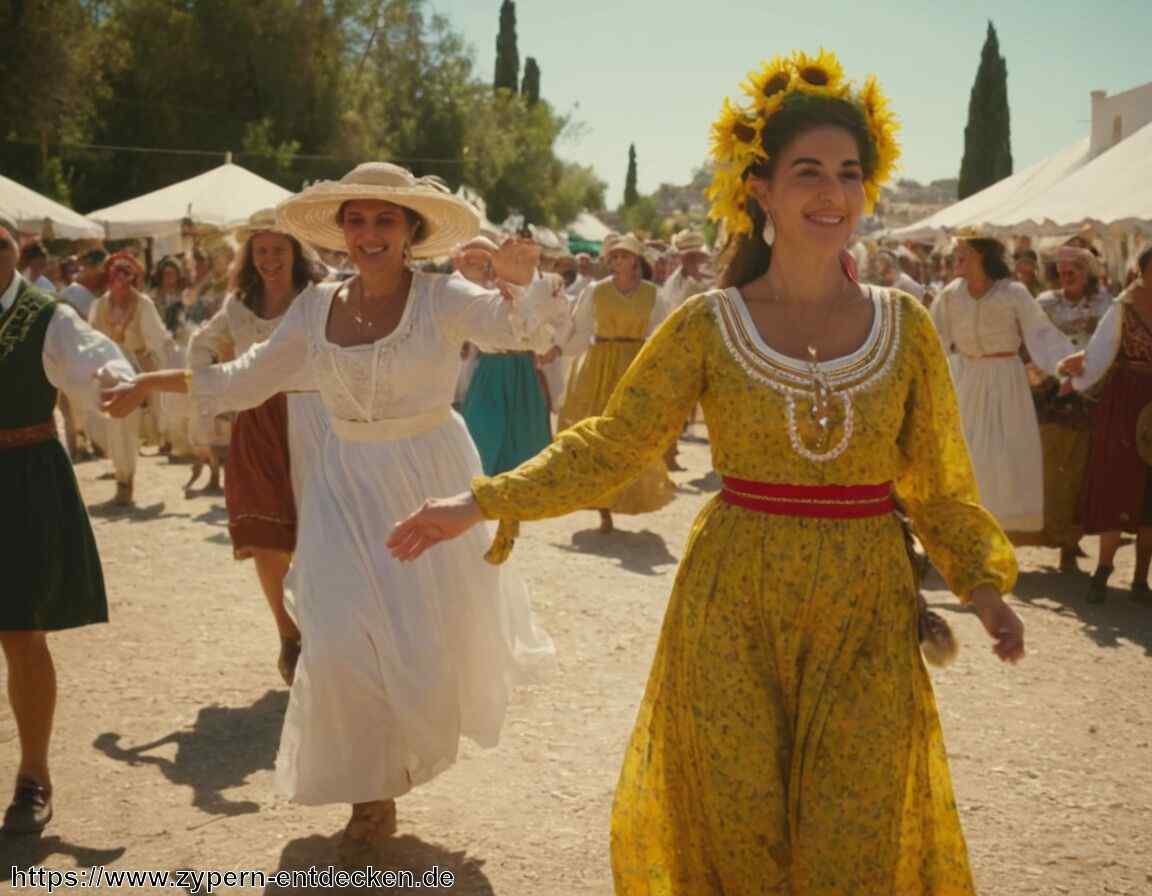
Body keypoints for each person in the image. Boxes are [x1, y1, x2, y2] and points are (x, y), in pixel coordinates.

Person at [390, 51, 1024, 894]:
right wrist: (480, 500)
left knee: (854, 839)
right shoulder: (708, 324)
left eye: (849, 172)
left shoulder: (905, 326)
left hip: (865, 607)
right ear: (760, 189)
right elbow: (613, 443)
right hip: (732, 601)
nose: (833, 192)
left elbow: (939, 483)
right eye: (808, 172)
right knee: (739, 833)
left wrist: (982, 588)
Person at [101, 162, 561, 863]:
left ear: (411, 231)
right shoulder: (316, 310)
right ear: (341, 232)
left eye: (384, 220)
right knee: (342, 640)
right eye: (356, 220)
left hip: (429, 481)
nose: (369, 233)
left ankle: (398, 759)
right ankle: (371, 797)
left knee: (417, 644)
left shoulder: (443, 298)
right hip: (344, 487)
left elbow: (521, 331)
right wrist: (152, 382)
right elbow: (245, 375)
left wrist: (521, 277)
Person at [0, 213, 134, 835]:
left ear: (17, 251)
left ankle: (33, 776)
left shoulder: (46, 315)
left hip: (22, 479)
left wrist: (119, 384)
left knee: (21, 631)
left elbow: (99, 363)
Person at [183, 210, 328, 683]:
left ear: (295, 254)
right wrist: (219, 392)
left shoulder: (316, 299)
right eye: (261, 251)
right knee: (264, 535)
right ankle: (288, 633)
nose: (269, 259)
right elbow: (200, 347)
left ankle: (322, 632)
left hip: (313, 419)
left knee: (316, 531)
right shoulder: (239, 305)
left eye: (278, 251)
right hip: (257, 425)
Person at [930, 233, 1074, 533]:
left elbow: (1041, 333)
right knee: (965, 453)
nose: (956, 256)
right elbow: (933, 340)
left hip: (1004, 381)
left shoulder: (1013, 293)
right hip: (964, 380)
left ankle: (996, 531)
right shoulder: (950, 294)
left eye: (963, 251)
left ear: (982, 254)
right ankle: (965, 528)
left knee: (1001, 457)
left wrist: (1067, 365)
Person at [556, 232, 675, 533]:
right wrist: (558, 349)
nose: (618, 261)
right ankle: (601, 505)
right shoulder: (595, 291)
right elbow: (580, 329)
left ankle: (623, 495)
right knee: (595, 430)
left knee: (630, 434)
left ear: (636, 260)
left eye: (624, 256)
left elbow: (661, 334)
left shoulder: (652, 294)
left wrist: (662, 369)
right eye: (614, 257)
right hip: (600, 364)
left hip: (634, 365)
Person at [1061, 246, 1152, 602]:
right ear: (1142, 270)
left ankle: (1141, 580)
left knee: (1150, 495)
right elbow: (1100, 354)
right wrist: (1078, 380)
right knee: (1118, 482)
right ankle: (1104, 569)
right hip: (1126, 403)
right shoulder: (1123, 308)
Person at [1023, 246, 1113, 570]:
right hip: (1051, 396)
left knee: (1083, 469)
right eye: (1060, 270)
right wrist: (1047, 374)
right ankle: (1053, 534)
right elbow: (1031, 343)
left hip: (1092, 395)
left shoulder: (1106, 304)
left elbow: (1110, 344)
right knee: (1052, 466)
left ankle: (1071, 541)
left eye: (1072, 269)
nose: (1065, 275)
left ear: (1087, 270)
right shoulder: (1044, 303)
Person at [456, 236, 558, 475]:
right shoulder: (472, 291)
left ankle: (513, 506)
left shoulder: (529, 289)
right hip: (490, 368)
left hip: (520, 367)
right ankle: (478, 490)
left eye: (484, 259)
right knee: (482, 430)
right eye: (472, 259)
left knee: (522, 437)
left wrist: (516, 298)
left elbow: (541, 338)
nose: (479, 264)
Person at [87, 252, 172, 505]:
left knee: (127, 427)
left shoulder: (143, 304)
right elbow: (92, 337)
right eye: (116, 273)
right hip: (107, 371)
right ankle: (120, 479)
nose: (121, 280)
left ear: (134, 277)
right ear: (110, 276)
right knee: (109, 428)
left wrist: (150, 366)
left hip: (134, 371)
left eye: (126, 274)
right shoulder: (99, 305)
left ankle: (126, 485)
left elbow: (157, 339)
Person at [659, 229, 713, 314]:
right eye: (688, 256)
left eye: (693, 256)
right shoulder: (673, 281)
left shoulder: (710, 274)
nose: (691, 259)